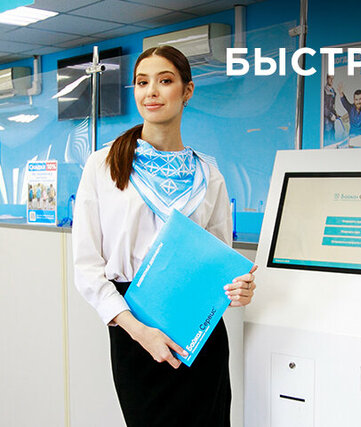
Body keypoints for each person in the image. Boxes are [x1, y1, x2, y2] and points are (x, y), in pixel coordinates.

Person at [72, 45, 256, 427]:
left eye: (165, 80)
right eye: (142, 83)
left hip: (199, 336)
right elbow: (87, 268)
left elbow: (218, 262)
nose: (151, 92)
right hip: (136, 332)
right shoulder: (104, 165)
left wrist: (238, 288)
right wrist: (140, 332)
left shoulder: (208, 174)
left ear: (187, 91)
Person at [322, 74, 338, 144]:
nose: (331, 80)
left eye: (332, 78)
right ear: (327, 79)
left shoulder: (332, 91)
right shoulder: (324, 91)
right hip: (327, 121)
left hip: (332, 121)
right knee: (328, 139)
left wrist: (335, 114)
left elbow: (332, 106)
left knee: (332, 138)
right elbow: (324, 107)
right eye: (330, 78)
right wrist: (331, 115)